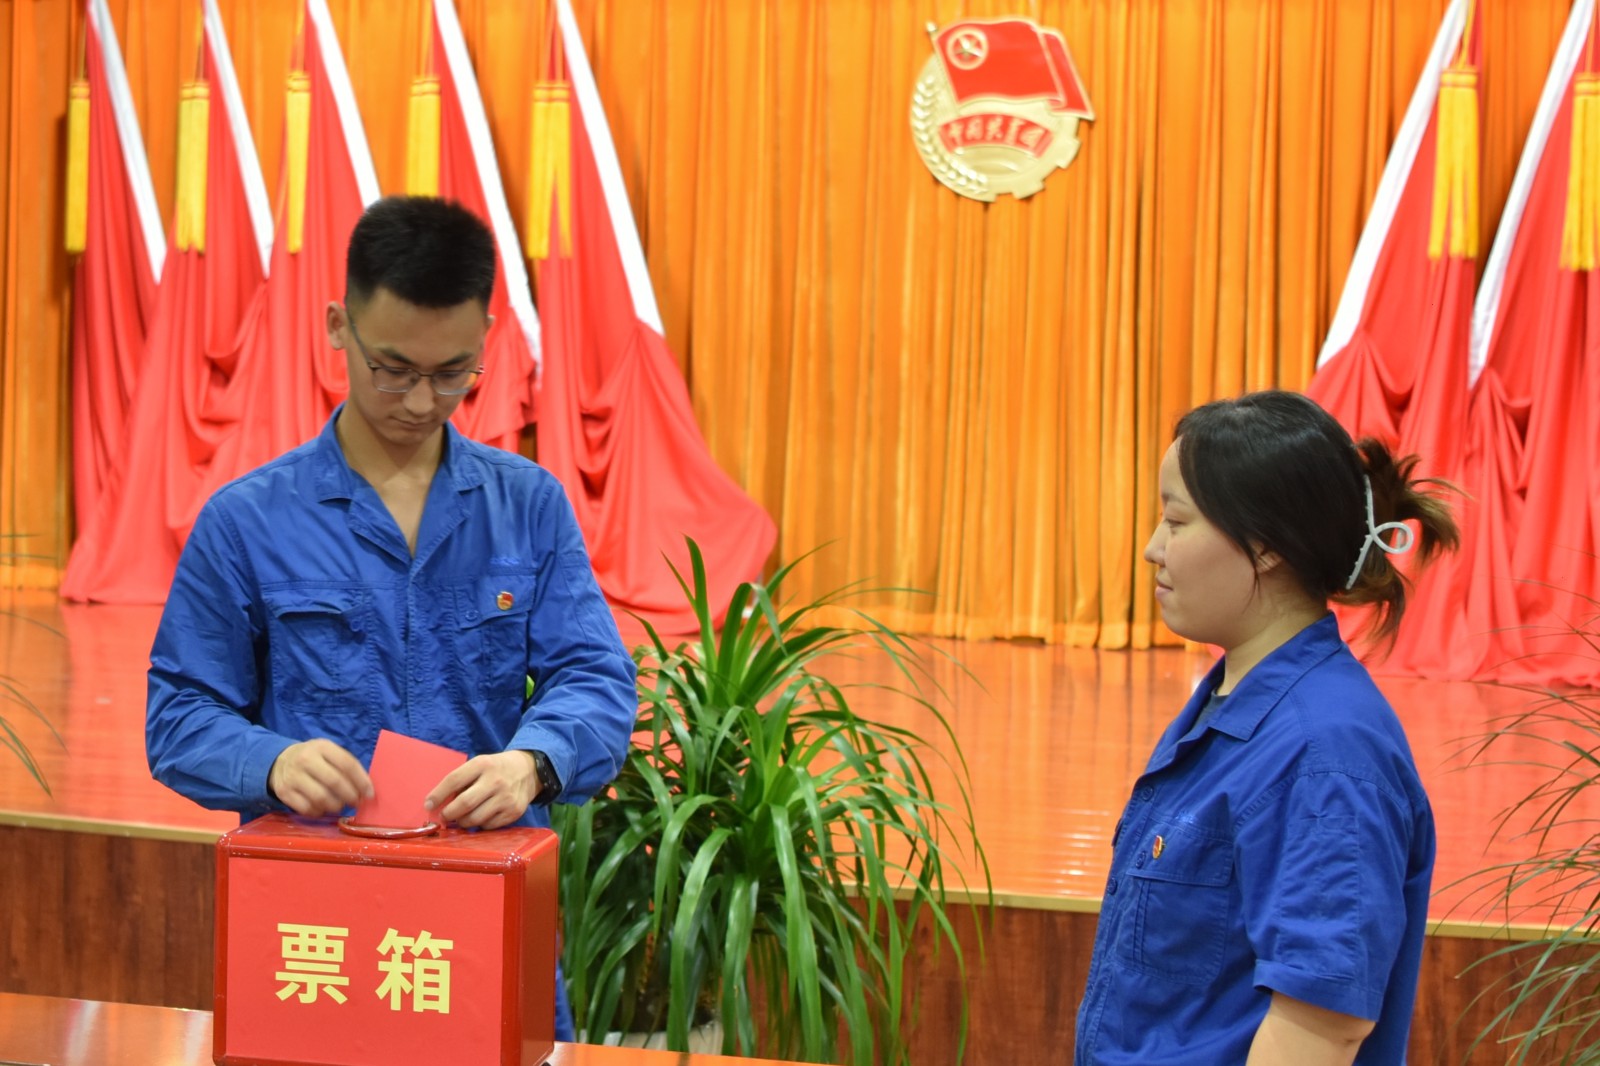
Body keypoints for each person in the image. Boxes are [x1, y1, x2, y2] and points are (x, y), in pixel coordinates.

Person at [145, 196, 638, 1040]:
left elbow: (593, 676)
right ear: (339, 327)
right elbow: (180, 715)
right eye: (394, 369)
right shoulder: (247, 522)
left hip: (482, 901)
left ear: (487, 337)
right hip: (316, 925)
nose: (420, 400)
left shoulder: (529, 507)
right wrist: (271, 761)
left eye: (454, 373)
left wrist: (532, 763)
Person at [1074, 390, 1458, 1065]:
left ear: (1266, 545)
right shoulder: (1231, 702)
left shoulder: (1327, 751)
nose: (1153, 549)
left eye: (1176, 521)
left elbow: (1321, 1025)